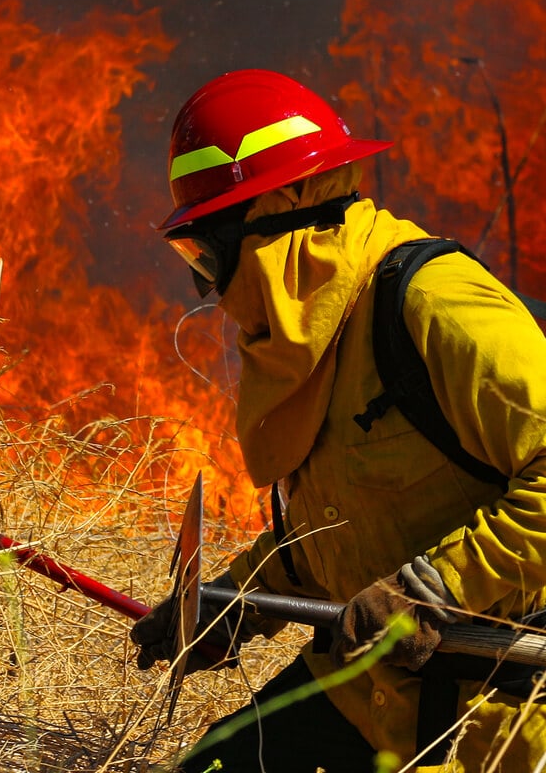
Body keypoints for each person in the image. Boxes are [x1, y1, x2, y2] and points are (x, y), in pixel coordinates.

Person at [129, 69, 546, 772]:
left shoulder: (434, 306)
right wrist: (231, 603)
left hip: (493, 712)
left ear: (279, 215)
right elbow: (330, 528)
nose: (207, 288)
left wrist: (436, 588)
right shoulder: (316, 329)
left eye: (209, 256)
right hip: (366, 692)